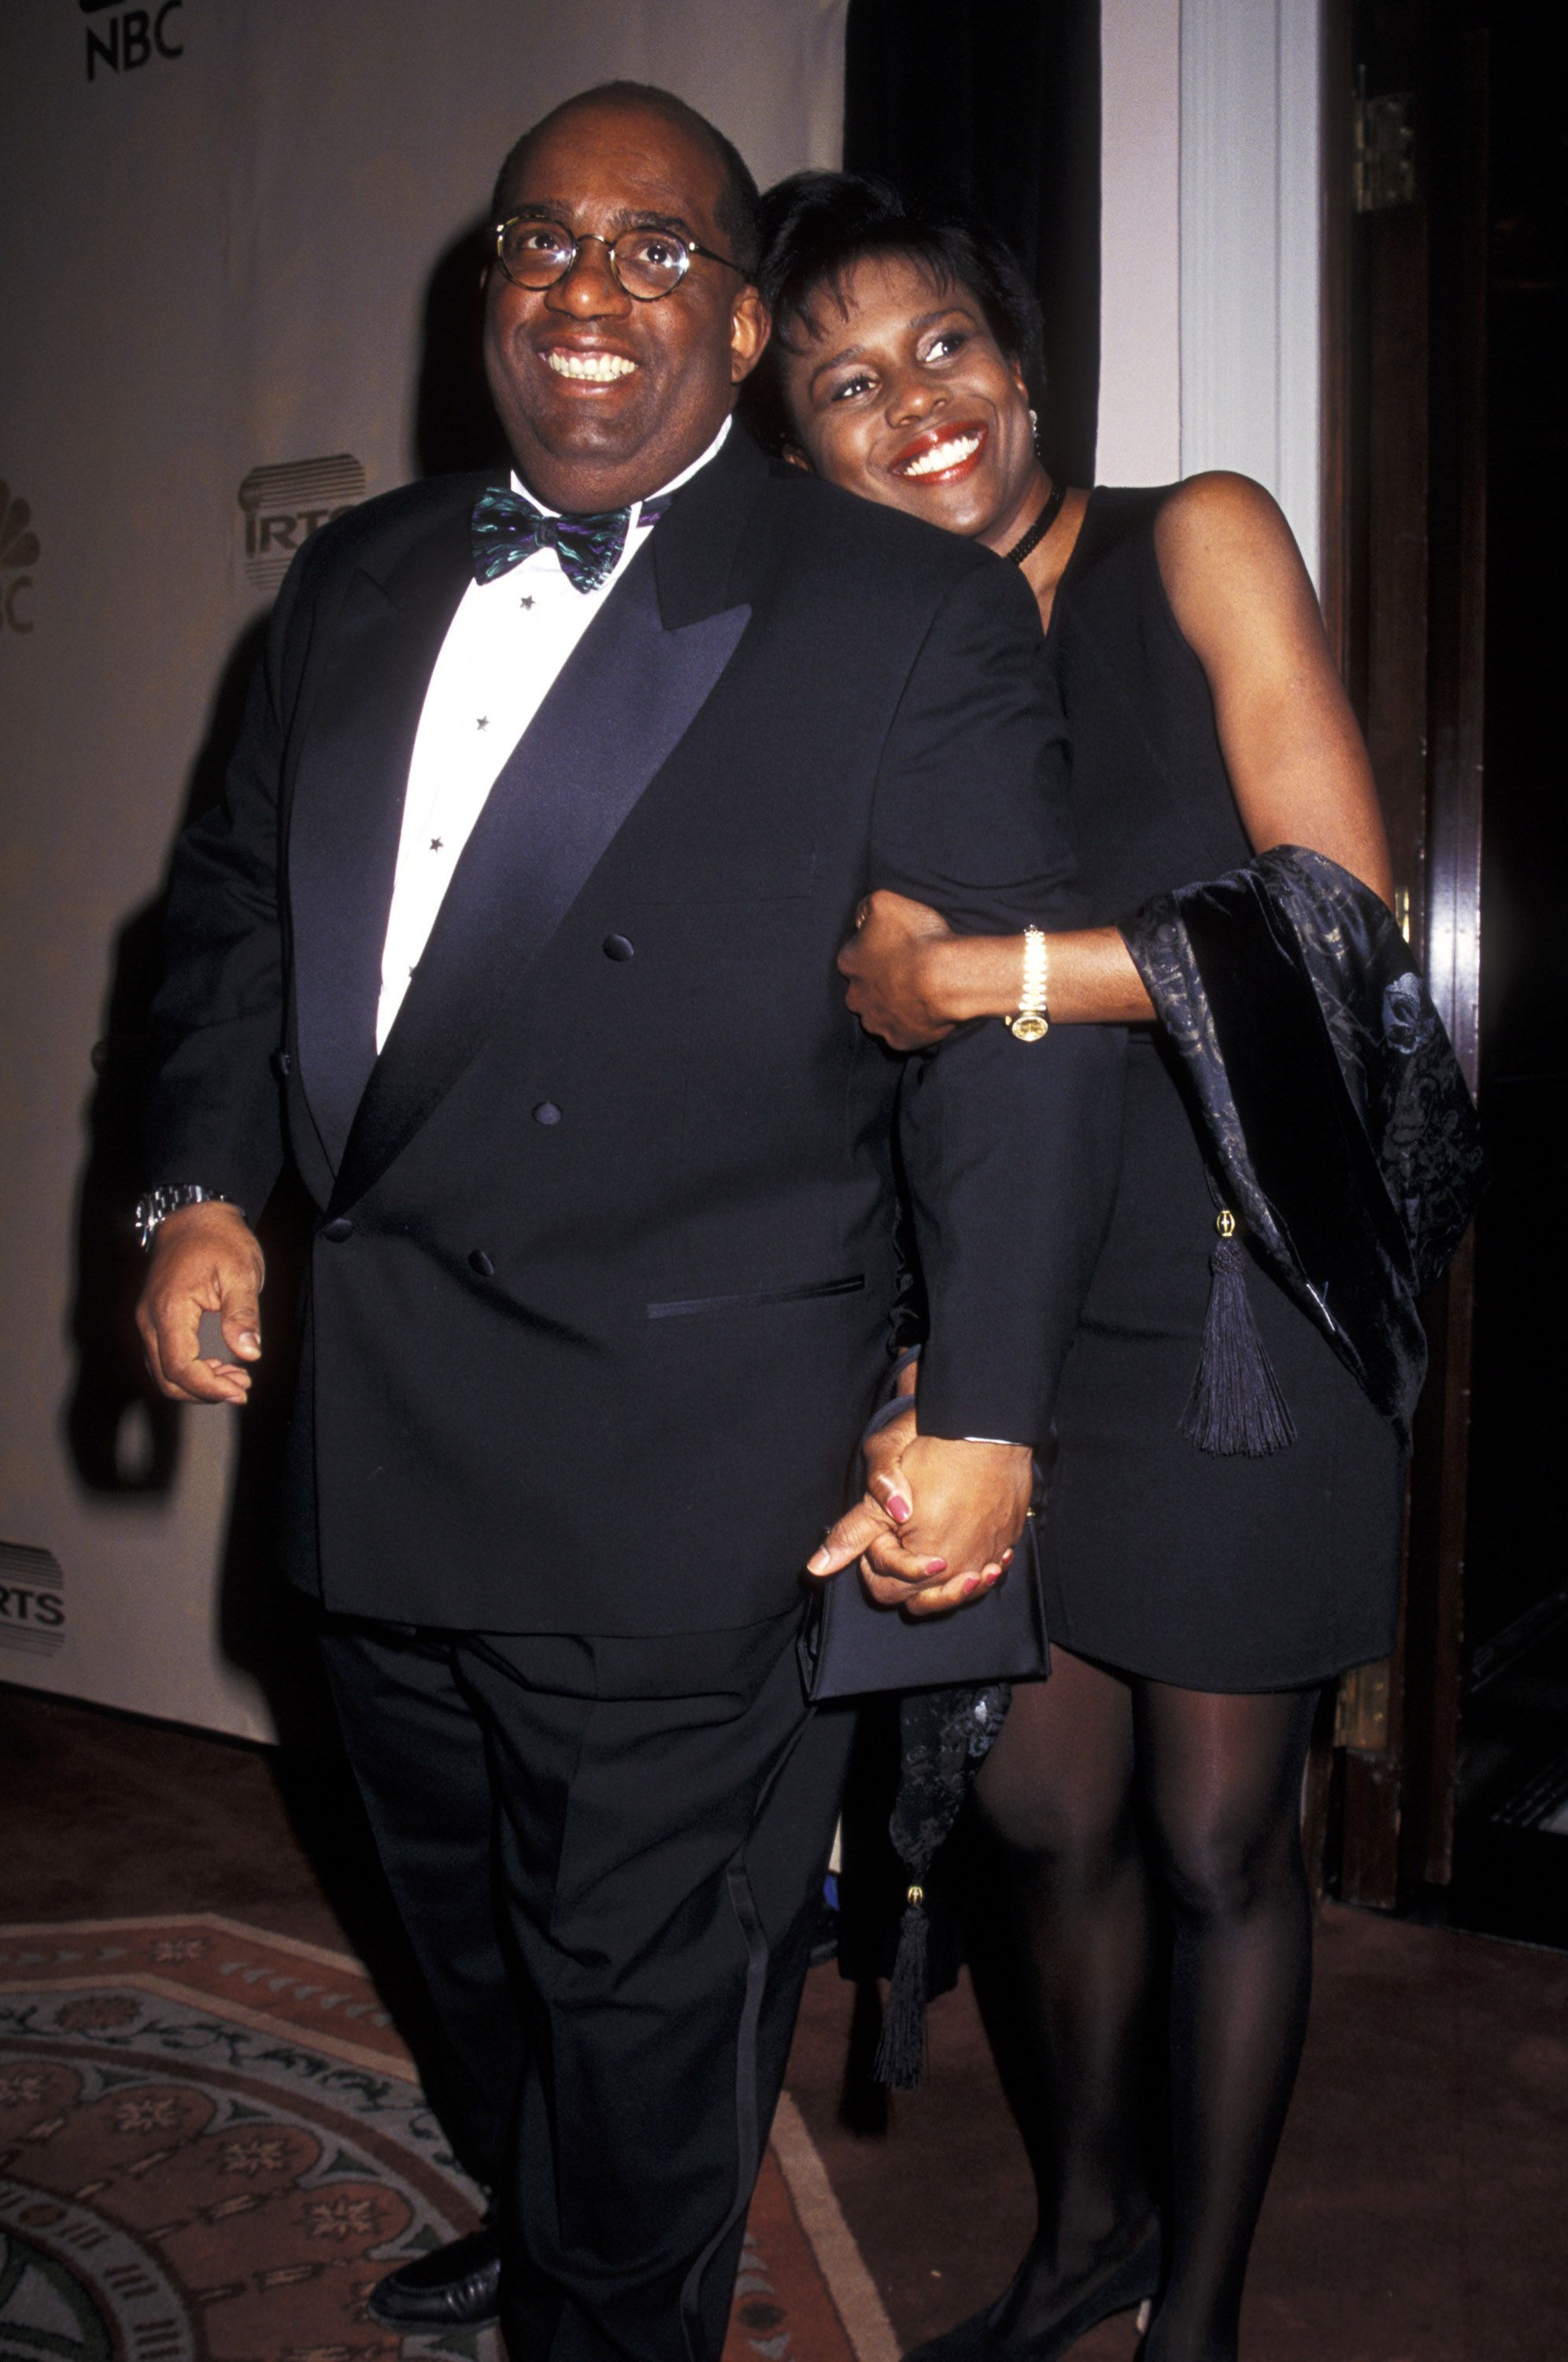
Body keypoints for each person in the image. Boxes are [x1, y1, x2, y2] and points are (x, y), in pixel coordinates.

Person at [134, 91, 1122, 2362]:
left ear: (751, 317)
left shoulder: (901, 609)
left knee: (647, 1988)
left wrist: (987, 1409)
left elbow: (1012, 1033)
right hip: (377, 1426)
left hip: (692, 1457)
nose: (588, 294)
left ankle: (612, 2292)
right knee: (463, 1935)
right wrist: (198, 1182)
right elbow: (225, 917)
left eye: (659, 250)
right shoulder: (358, 582)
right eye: (539, 246)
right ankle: (556, 2196)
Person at [764, 174, 1406, 2362]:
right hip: (1002, 1325)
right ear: (798, 446)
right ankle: (1089, 2234)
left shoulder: (1192, 536)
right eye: (847, 380)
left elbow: (1338, 920)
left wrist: (978, 971)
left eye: (943, 344)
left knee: (1224, 1839)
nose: (914, 404)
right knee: (1042, 1820)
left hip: (1238, 1300)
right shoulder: (856, 670)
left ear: (1022, 359)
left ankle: (1197, 2320)